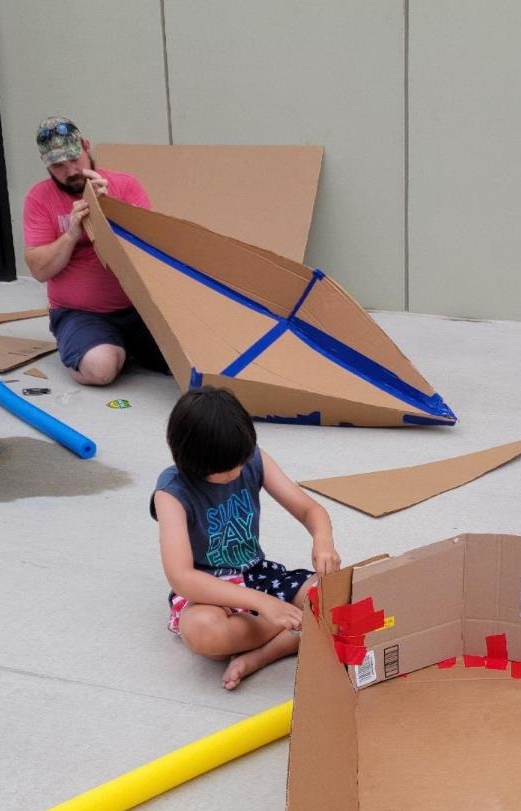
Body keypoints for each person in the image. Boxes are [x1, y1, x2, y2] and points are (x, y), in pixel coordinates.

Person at [151, 386, 341, 689]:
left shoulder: (251, 459)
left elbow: (309, 509)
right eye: (225, 470)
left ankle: (262, 654)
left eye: (240, 462)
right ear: (191, 461)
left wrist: (323, 539)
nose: (237, 472)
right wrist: (264, 604)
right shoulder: (172, 492)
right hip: (211, 591)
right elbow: (182, 577)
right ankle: (298, 626)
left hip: (256, 574)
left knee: (337, 595)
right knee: (204, 633)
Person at [23, 116, 167, 386]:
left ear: (87, 147)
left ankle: (121, 347)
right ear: (47, 166)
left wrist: (111, 213)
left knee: (188, 357)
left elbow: (151, 254)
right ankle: (89, 347)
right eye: (58, 165)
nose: (70, 171)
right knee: (100, 370)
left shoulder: (125, 185)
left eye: (74, 159)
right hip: (79, 312)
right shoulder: (38, 198)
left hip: (138, 307)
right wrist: (71, 234)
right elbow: (39, 270)